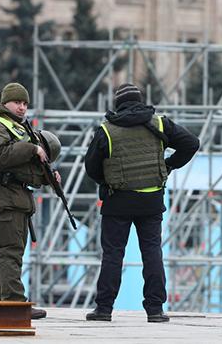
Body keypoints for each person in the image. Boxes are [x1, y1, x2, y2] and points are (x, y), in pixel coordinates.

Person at [84, 83, 199, 323]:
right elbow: (191, 143)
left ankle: (104, 309)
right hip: (151, 200)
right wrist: (168, 165)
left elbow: (91, 167)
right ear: (140, 100)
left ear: (117, 104)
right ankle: (155, 309)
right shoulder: (159, 123)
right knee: (152, 253)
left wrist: (107, 181)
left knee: (113, 255)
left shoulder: (107, 130)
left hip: (118, 201)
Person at [0, 82, 60, 320]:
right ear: (5, 102)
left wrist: (47, 176)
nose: (22, 108)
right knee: (10, 252)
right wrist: (31, 149)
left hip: (15, 197)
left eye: (25, 104)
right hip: (3, 197)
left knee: (5, 253)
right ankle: (14, 305)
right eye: (17, 102)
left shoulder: (14, 127)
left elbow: (21, 169)